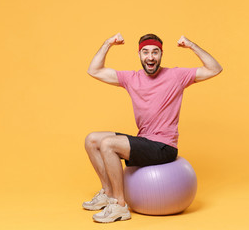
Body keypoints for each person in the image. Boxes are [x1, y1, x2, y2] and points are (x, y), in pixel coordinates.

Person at [83, 33, 223, 223]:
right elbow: (94, 70)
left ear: (161, 55)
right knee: (91, 139)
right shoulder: (131, 78)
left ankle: (120, 206)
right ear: (139, 55)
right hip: (145, 140)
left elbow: (215, 68)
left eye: (155, 52)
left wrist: (191, 45)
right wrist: (108, 43)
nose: (150, 57)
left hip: (164, 147)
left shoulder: (177, 76)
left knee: (108, 144)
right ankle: (108, 193)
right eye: (146, 52)